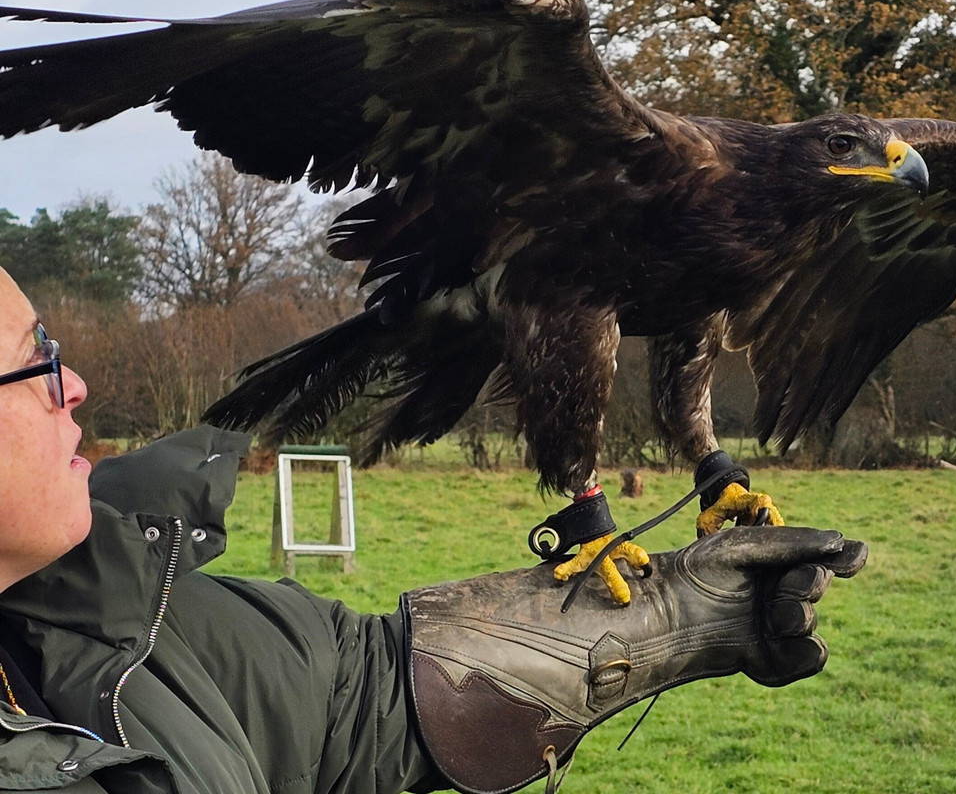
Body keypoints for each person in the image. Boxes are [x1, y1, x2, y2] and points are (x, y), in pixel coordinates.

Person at [0, 264, 866, 794]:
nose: (71, 382)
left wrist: (674, 615)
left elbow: (369, 696)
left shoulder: (129, 617)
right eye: (35, 356)